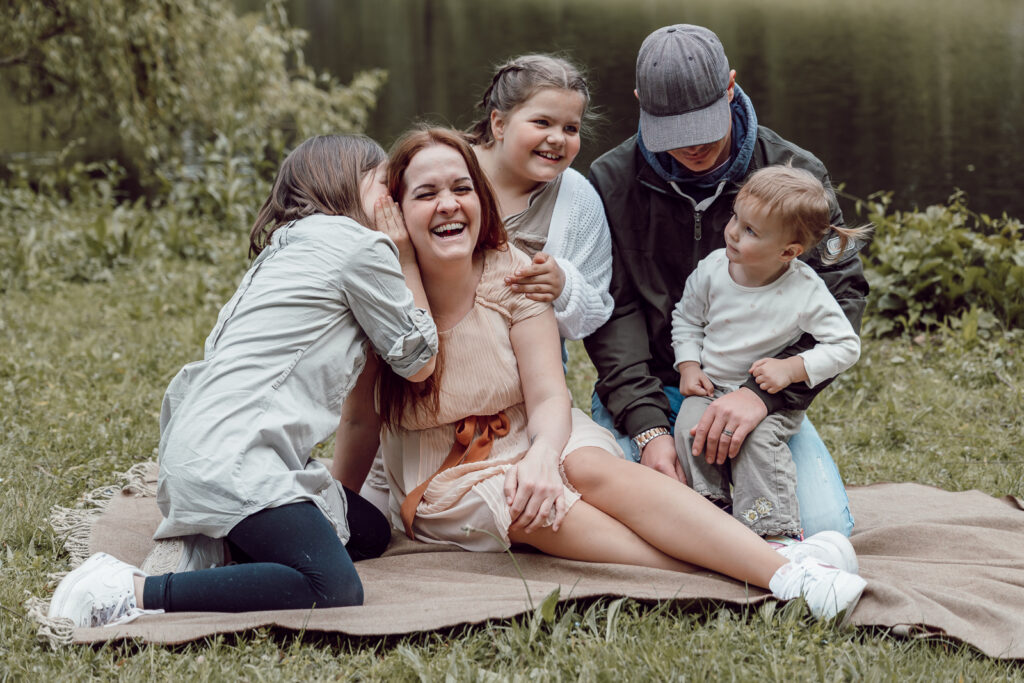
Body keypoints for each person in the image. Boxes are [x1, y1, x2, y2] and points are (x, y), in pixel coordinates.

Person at [332, 127, 867, 623]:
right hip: (445, 471)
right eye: (426, 194)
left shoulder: (516, 269)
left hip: (536, 427)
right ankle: (759, 570)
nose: (448, 204)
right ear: (396, 211)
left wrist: (543, 456)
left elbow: (548, 396)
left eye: (462, 188)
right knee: (527, 507)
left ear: (481, 199)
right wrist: (337, 513)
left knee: (588, 466)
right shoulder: (377, 290)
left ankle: (779, 566)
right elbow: (359, 423)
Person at [47, 135, 439, 628]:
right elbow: (419, 360)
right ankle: (133, 590)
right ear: (345, 181)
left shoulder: (286, 246)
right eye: (385, 183)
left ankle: (226, 545)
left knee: (368, 532)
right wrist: (403, 252)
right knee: (333, 587)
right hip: (237, 456)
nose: (395, 198)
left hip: (197, 446)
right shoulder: (361, 245)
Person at [584, 24, 869, 537]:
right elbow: (612, 312)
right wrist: (649, 429)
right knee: (643, 529)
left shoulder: (795, 174)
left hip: (752, 391)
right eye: (673, 131)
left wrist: (767, 396)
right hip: (645, 390)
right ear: (639, 104)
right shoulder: (608, 180)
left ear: (731, 87)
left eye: (703, 126)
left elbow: (841, 294)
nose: (691, 147)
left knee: (825, 528)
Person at [358, 54, 614, 515]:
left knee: (577, 479)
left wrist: (564, 286)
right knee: (381, 503)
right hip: (421, 382)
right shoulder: (447, 168)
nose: (558, 139)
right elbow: (378, 188)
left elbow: (595, 313)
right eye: (542, 122)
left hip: (517, 384)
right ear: (498, 122)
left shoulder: (578, 201)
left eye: (571, 129)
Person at [672, 165, 871, 539]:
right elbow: (686, 318)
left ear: (788, 251)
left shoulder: (805, 291)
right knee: (690, 428)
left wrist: (794, 367)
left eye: (750, 231)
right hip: (712, 387)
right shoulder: (713, 270)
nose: (732, 231)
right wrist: (687, 363)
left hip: (771, 399)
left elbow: (846, 346)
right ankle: (711, 508)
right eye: (735, 217)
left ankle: (771, 530)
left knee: (757, 444)